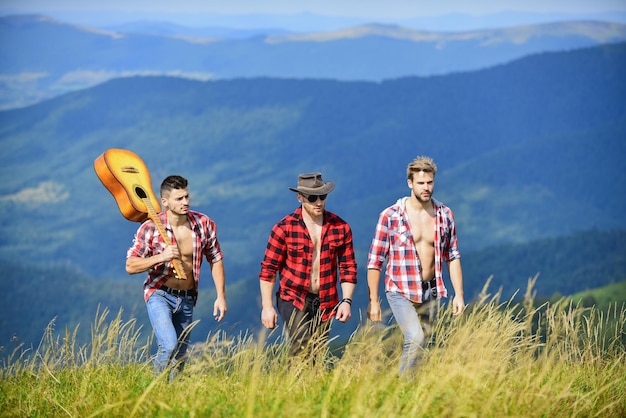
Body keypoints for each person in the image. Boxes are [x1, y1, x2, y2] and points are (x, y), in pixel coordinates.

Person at [366, 156, 465, 376]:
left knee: (423, 343)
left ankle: (413, 393)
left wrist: (459, 294)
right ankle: (403, 391)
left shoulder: (445, 215)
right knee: (415, 336)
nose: (426, 187)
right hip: (400, 289)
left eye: (429, 182)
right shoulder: (390, 216)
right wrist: (373, 301)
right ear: (410, 183)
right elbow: (375, 261)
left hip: (430, 289)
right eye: (421, 183)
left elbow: (453, 255)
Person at [126, 175, 227, 379]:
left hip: (188, 296)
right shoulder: (150, 227)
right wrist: (160, 257)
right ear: (165, 202)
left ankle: (172, 397)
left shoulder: (203, 224)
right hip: (159, 294)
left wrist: (220, 296)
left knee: (180, 355)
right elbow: (130, 265)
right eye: (179, 198)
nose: (186, 202)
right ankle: (154, 390)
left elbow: (215, 258)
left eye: (187, 197)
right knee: (169, 344)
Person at [259, 172, 357, 359]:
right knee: (302, 344)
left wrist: (346, 301)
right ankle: (292, 385)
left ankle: (295, 386)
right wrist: (267, 306)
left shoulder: (340, 227)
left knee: (316, 354)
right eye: (313, 198)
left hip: (326, 300)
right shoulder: (284, 228)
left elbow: (348, 267)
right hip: (293, 296)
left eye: (323, 196)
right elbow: (268, 270)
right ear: (300, 197)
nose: (319, 202)